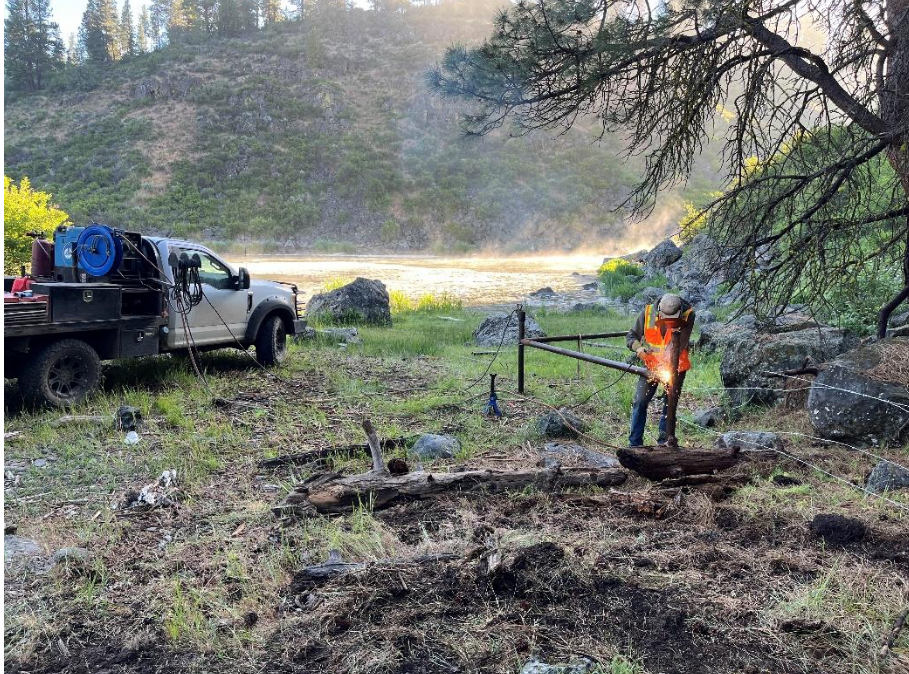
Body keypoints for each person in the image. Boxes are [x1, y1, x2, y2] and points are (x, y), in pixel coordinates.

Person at [625, 293, 695, 447]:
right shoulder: (648, 313)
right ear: (659, 312)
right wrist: (639, 348)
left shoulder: (688, 314)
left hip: (675, 368)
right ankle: (635, 445)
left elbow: (678, 344)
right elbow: (631, 337)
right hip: (651, 366)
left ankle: (665, 443)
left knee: (670, 404)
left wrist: (668, 367)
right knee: (640, 402)